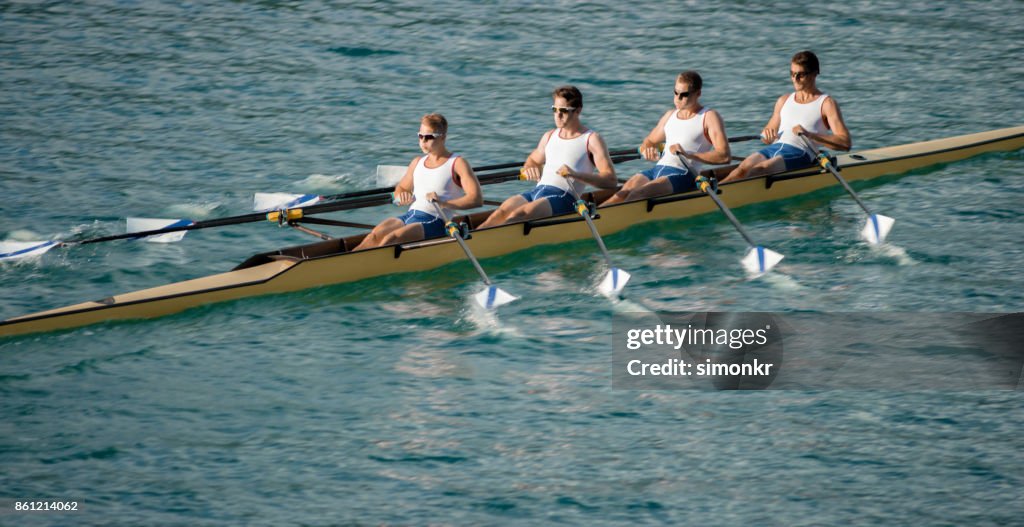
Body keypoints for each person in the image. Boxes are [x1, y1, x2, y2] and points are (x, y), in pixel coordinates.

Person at [477, 85, 616, 228]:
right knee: (500, 213)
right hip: (537, 192)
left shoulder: (591, 139)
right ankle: (471, 243)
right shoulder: (549, 136)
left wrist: (575, 175)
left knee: (519, 215)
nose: (558, 115)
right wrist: (531, 167)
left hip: (563, 198)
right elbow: (532, 160)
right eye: (554, 110)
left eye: (563, 111)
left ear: (578, 111)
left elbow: (610, 180)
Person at [354, 113, 482, 250]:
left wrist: (443, 203)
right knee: (374, 236)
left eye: (429, 137)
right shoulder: (417, 162)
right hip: (411, 215)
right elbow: (402, 187)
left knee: (391, 239)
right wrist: (401, 195)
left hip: (437, 221)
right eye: (420, 136)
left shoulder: (457, 163)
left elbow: (476, 199)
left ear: (443, 138)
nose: (423, 141)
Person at [601, 71, 730, 206]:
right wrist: (648, 149)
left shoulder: (709, 117)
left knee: (637, 194)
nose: (677, 98)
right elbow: (649, 141)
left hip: (684, 174)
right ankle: (591, 223)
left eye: (684, 95)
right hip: (657, 170)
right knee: (620, 194)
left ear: (698, 94)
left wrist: (689, 155)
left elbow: (724, 156)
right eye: (675, 93)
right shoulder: (670, 115)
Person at [721, 50, 852, 183]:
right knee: (740, 170)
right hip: (774, 148)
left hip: (801, 153)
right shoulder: (783, 100)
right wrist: (767, 135)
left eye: (800, 75)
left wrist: (810, 135)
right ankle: (711, 197)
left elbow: (845, 143)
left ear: (814, 74)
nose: (795, 79)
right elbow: (767, 134)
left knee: (759, 170)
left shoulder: (826, 103)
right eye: (792, 74)